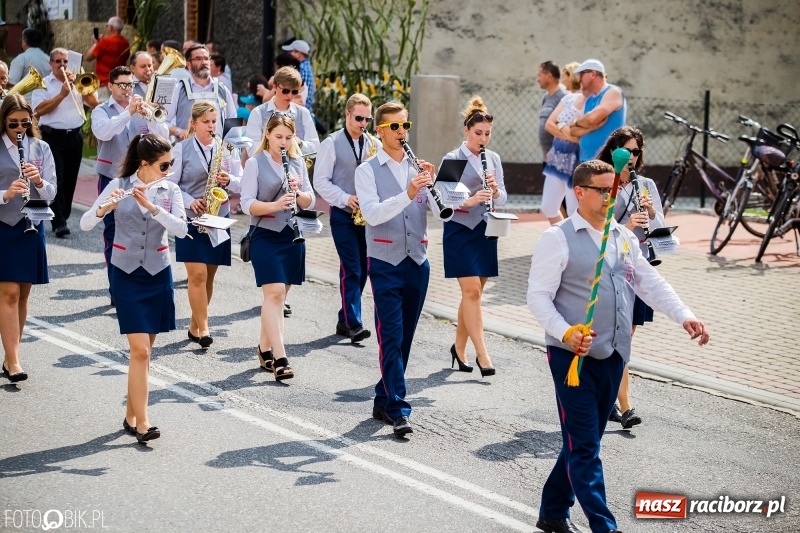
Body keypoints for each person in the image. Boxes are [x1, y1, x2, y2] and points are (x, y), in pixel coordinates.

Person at [527, 159, 709, 533]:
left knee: (584, 440)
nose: (612, 196)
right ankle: (604, 527)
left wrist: (684, 315)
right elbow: (538, 298)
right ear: (579, 192)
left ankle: (552, 510)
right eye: (602, 190)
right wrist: (565, 332)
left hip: (614, 355)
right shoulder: (557, 238)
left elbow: (649, 282)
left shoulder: (622, 237)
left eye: (614, 189)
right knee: (586, 447)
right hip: (571, 359)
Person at [79, 133, 188, 443]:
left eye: (171, 164)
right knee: (139, 350)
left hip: (158, 272)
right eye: (164, 165)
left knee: (145, 353)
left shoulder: (170, 190)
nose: (169, 170)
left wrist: (153, 208)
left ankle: (130, 416)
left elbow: (181, 228)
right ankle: (143, 423)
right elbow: (86, 222)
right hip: (126, 273)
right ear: (145, 164)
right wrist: (104, 209)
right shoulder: (119, 186)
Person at [354, 101, 451, 437]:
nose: (401, 132)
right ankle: (398, 408)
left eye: (405, 125)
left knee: (405, 338)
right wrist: (408, 193)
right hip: (384, 261)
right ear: (380, 131)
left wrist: (434, 185)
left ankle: (383, 397)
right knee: (390, 336)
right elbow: (372, 214)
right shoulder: (367, 171)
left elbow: (441, 215)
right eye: (394, 127)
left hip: (417, 261)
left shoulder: (417, 169)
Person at [596, 126, 665, 430]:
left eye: (637, 152)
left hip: (638, 267)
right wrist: (625, 221)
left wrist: (651, 213)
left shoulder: (645, 184)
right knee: (620, 337)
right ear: (615, 152)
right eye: (628, 152)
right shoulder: (603, 183)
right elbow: (597, 225)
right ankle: (626, 406)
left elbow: (662, 232)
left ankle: (607, 395)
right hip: (612, 267)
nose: (633, 158)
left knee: (625, 336)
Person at [240, 113, 316, 380]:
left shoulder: (296, 162)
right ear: (268, 135)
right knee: (273, 294)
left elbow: (309, 200)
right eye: (278, 137)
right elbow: (246, 204)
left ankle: (264, 348)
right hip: (265, 235)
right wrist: (275, 204)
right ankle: (281, 358)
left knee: (278, 298)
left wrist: (299, 194)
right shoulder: (255, 163)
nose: (283, 142)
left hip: (291, 236)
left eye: (288, 137)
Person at [440, 96, 508, 377]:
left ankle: (458, 347)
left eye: (487, 134)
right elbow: (444, 195)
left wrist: (493, 192)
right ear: (466, 131)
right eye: (478, 133)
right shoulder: (453, 158)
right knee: (472, 292)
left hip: (485, 230)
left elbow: (503, 197)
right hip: (459, 229)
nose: (483, 138)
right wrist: (469, 199)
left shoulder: (492, 159)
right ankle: (483, 353)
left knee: (473, 295)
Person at [91, 66, 169, 306]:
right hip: (112, 177)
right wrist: (128, 113)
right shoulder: (100, 110)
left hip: (142, 178)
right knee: (113, 231)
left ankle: (139, 281)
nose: (127, 89)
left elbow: (163, 137)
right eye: (122, 84)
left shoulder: (142, 108)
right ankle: (117, 286)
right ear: (110, 86)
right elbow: (104, 133)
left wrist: (151, 116)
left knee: (145, 228)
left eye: (130, 85)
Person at [169, 100, 241, 347]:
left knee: (209, 277)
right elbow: (171, 186)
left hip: (218, 217)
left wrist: (229, 179)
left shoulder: (227, 149)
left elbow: (242, 183)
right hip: (191, 218)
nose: (211, 127)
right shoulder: (180, 149)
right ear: (193, 123)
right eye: (206, 122)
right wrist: (190, 201)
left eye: (214, 122)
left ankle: (194, 325)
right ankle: (205, 327)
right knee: (197, 275)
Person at [0, 94, 57, 384]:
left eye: (25, 122)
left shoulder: (41, 148)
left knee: (23, 294)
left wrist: (37, 181)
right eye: (13, 124)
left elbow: (52, 192)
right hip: (3, 224)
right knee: (8, 293)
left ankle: (12, 352)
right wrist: (6, 194)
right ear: (4, 122)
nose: (19, 129)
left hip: (31, 223)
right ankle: (13, 361)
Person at [314, 93, 378, 343]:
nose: (363, 123)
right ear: (347, 114)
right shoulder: (331, 143)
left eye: (367, 119)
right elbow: (320, 181)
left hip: (367, 217)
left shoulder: (374, 144)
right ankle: (354, 323)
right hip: (342, 214)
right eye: (359, 118)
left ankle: (344, 318)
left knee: (363, 270)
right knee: (352, 268)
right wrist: (344, 198)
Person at [31, 48, 99, 238]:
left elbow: (94, 103)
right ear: (51, 64)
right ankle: (59, 221)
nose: (62, 65)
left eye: (65, 61)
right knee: (57, 178)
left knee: (70, 179)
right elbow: (39, 110)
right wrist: (61, 94)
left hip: (75, 136)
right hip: (52, 136)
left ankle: (63, 214)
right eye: (58, 62)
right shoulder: (43, 84)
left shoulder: (78, 81)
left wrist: (80, 86)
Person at [542, 62, 584, 223]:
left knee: (574, 210)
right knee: (548, 207)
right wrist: (565, 129)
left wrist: (560, 128)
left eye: (566, 74)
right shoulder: (568, 98)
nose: (562, 78)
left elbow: (578, 135)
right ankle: (562, 237)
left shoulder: (589, 102)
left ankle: (574, 243)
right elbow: (549, 125)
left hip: (576, 162)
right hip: (557, 158)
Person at [165, 44, 236, 141]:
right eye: (198, 59)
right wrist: (178, 131)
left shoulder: (222, 89)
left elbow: (232, 120)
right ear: (188, 64)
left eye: (206, 58)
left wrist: (228, 149)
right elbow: (164, 121)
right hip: (187, 152)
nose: (204, 62)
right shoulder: (179, 89)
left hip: (217, 153)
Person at [245, 66, 318, 159]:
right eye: (285, 91)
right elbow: (251, 149)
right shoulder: (258, 112)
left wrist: (299, 143)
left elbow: (316, 148)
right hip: (267, 171)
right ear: (275, 86)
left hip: (296, 171)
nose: (290, 95)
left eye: (295, 92)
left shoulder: (303, 113)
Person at [569, 59, 626, 162]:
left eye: (581, 74)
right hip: (586, 161)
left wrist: (577, 122)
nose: (579, 79)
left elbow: (593, 118)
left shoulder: (613, 92)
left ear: (593, 74)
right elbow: (572, 131)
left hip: (607, 161)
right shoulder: (589, 100)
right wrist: (590, 128)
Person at [85, 16, 131, 101]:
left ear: (111, 27)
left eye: (107, 26)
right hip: (119, 82)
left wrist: (96, 44)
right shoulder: (126, 43)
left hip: (104, 83)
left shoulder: (105, 41)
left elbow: (88, 57)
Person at [537, 60, 565, 168]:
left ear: (549, 76)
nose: (537, 79)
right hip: (547, 157)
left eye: (540, 75)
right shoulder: (546, 96)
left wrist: (554, 149)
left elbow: (565, 126)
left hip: (559, 157)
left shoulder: (563, 96)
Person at [281, 40, 315, 113]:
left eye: (290, 52)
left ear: (298, 54)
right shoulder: (307, 67)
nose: (288, 54)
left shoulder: (302, 69)